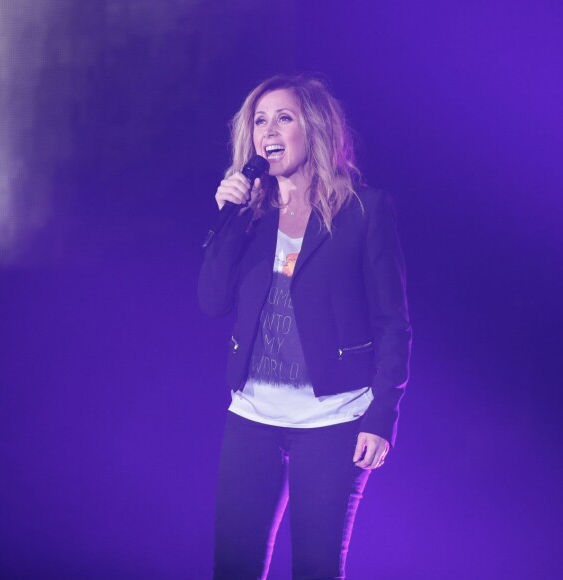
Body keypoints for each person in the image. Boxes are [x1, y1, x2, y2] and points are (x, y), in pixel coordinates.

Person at [198, 74, 411, 579]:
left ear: (312, 128)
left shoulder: (364, 210)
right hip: (252, 417)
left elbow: (393, 323)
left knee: (316, 569)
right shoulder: (248, 216)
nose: (268, 129)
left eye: (283, 117)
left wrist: (383, 415)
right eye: (259, 120)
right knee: (233, 568)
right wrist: (228, 218)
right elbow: (210, 301)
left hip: (334, 421)